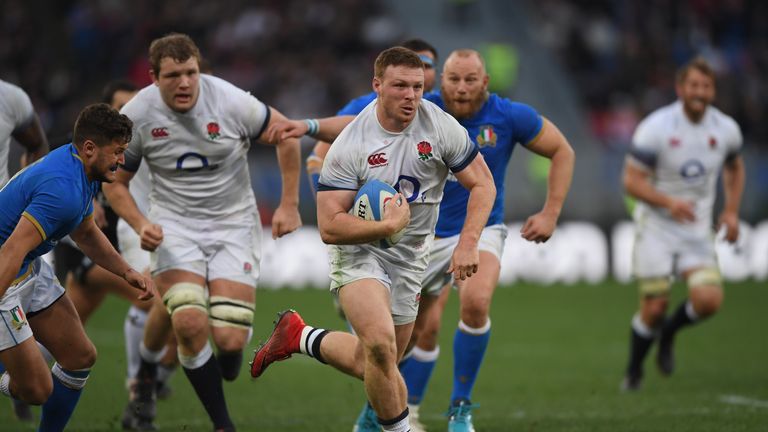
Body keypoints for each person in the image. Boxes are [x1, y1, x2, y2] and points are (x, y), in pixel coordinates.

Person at [250, 47, 496, 432]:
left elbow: (483, 183)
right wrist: (385, 227)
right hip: (359, 254)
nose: (411, 95)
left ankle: (300, 336)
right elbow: (330, 226)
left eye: (417, 86)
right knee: (381, 346)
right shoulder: (351, 145)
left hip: (411, 257)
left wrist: (468, 242)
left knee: (378, 362)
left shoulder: (441, 126)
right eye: (400, 86)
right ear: (377, 86)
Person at [102, 33, 302, 432]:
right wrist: (141, 224)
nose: (185, 83)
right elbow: (114, 181)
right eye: (173, 75)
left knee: (229, 345)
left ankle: (196, 365)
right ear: (155, 78)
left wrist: (289, 203)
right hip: (174, 228)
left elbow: (286, 133)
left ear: (200, 70)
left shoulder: (230, 100)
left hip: (234, 226)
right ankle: (222, 424)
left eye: (191, 72)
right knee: (190, 323)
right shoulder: (138, 113)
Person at [0, 103, 155, 432]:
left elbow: (84, 232)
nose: (121, 160)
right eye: (117, 152)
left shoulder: (84, 171)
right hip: (5, 273)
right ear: (89, 148)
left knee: (80, 357)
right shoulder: (62, 189)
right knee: (36, 390)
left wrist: (126, 271)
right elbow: (10, 250)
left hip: (26, 267)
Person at [621, 57, 745, 390]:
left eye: (706, 86)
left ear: (713, 90)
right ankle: (633, 371)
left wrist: (731, 211)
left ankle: (669, 335)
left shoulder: (726, 129)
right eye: (693, 85)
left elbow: (735, 167)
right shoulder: (656, 128)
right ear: (680, 89)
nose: (700, 92)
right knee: (655, 307)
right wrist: (669, 202)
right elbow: (631, 181)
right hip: (656, 228)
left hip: (696, 230)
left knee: (708, 301)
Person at [306, 39, 439, 197]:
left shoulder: (445, 107)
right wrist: (328, 210)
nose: (419, 72)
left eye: (427, 66)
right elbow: (317, 159)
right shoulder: (364, 106)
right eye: (410, 66)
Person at [0, 78, 50, 422]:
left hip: (7, 237)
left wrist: (26, 191)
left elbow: (37, 144)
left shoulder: (11, 98)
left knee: (74, 357)